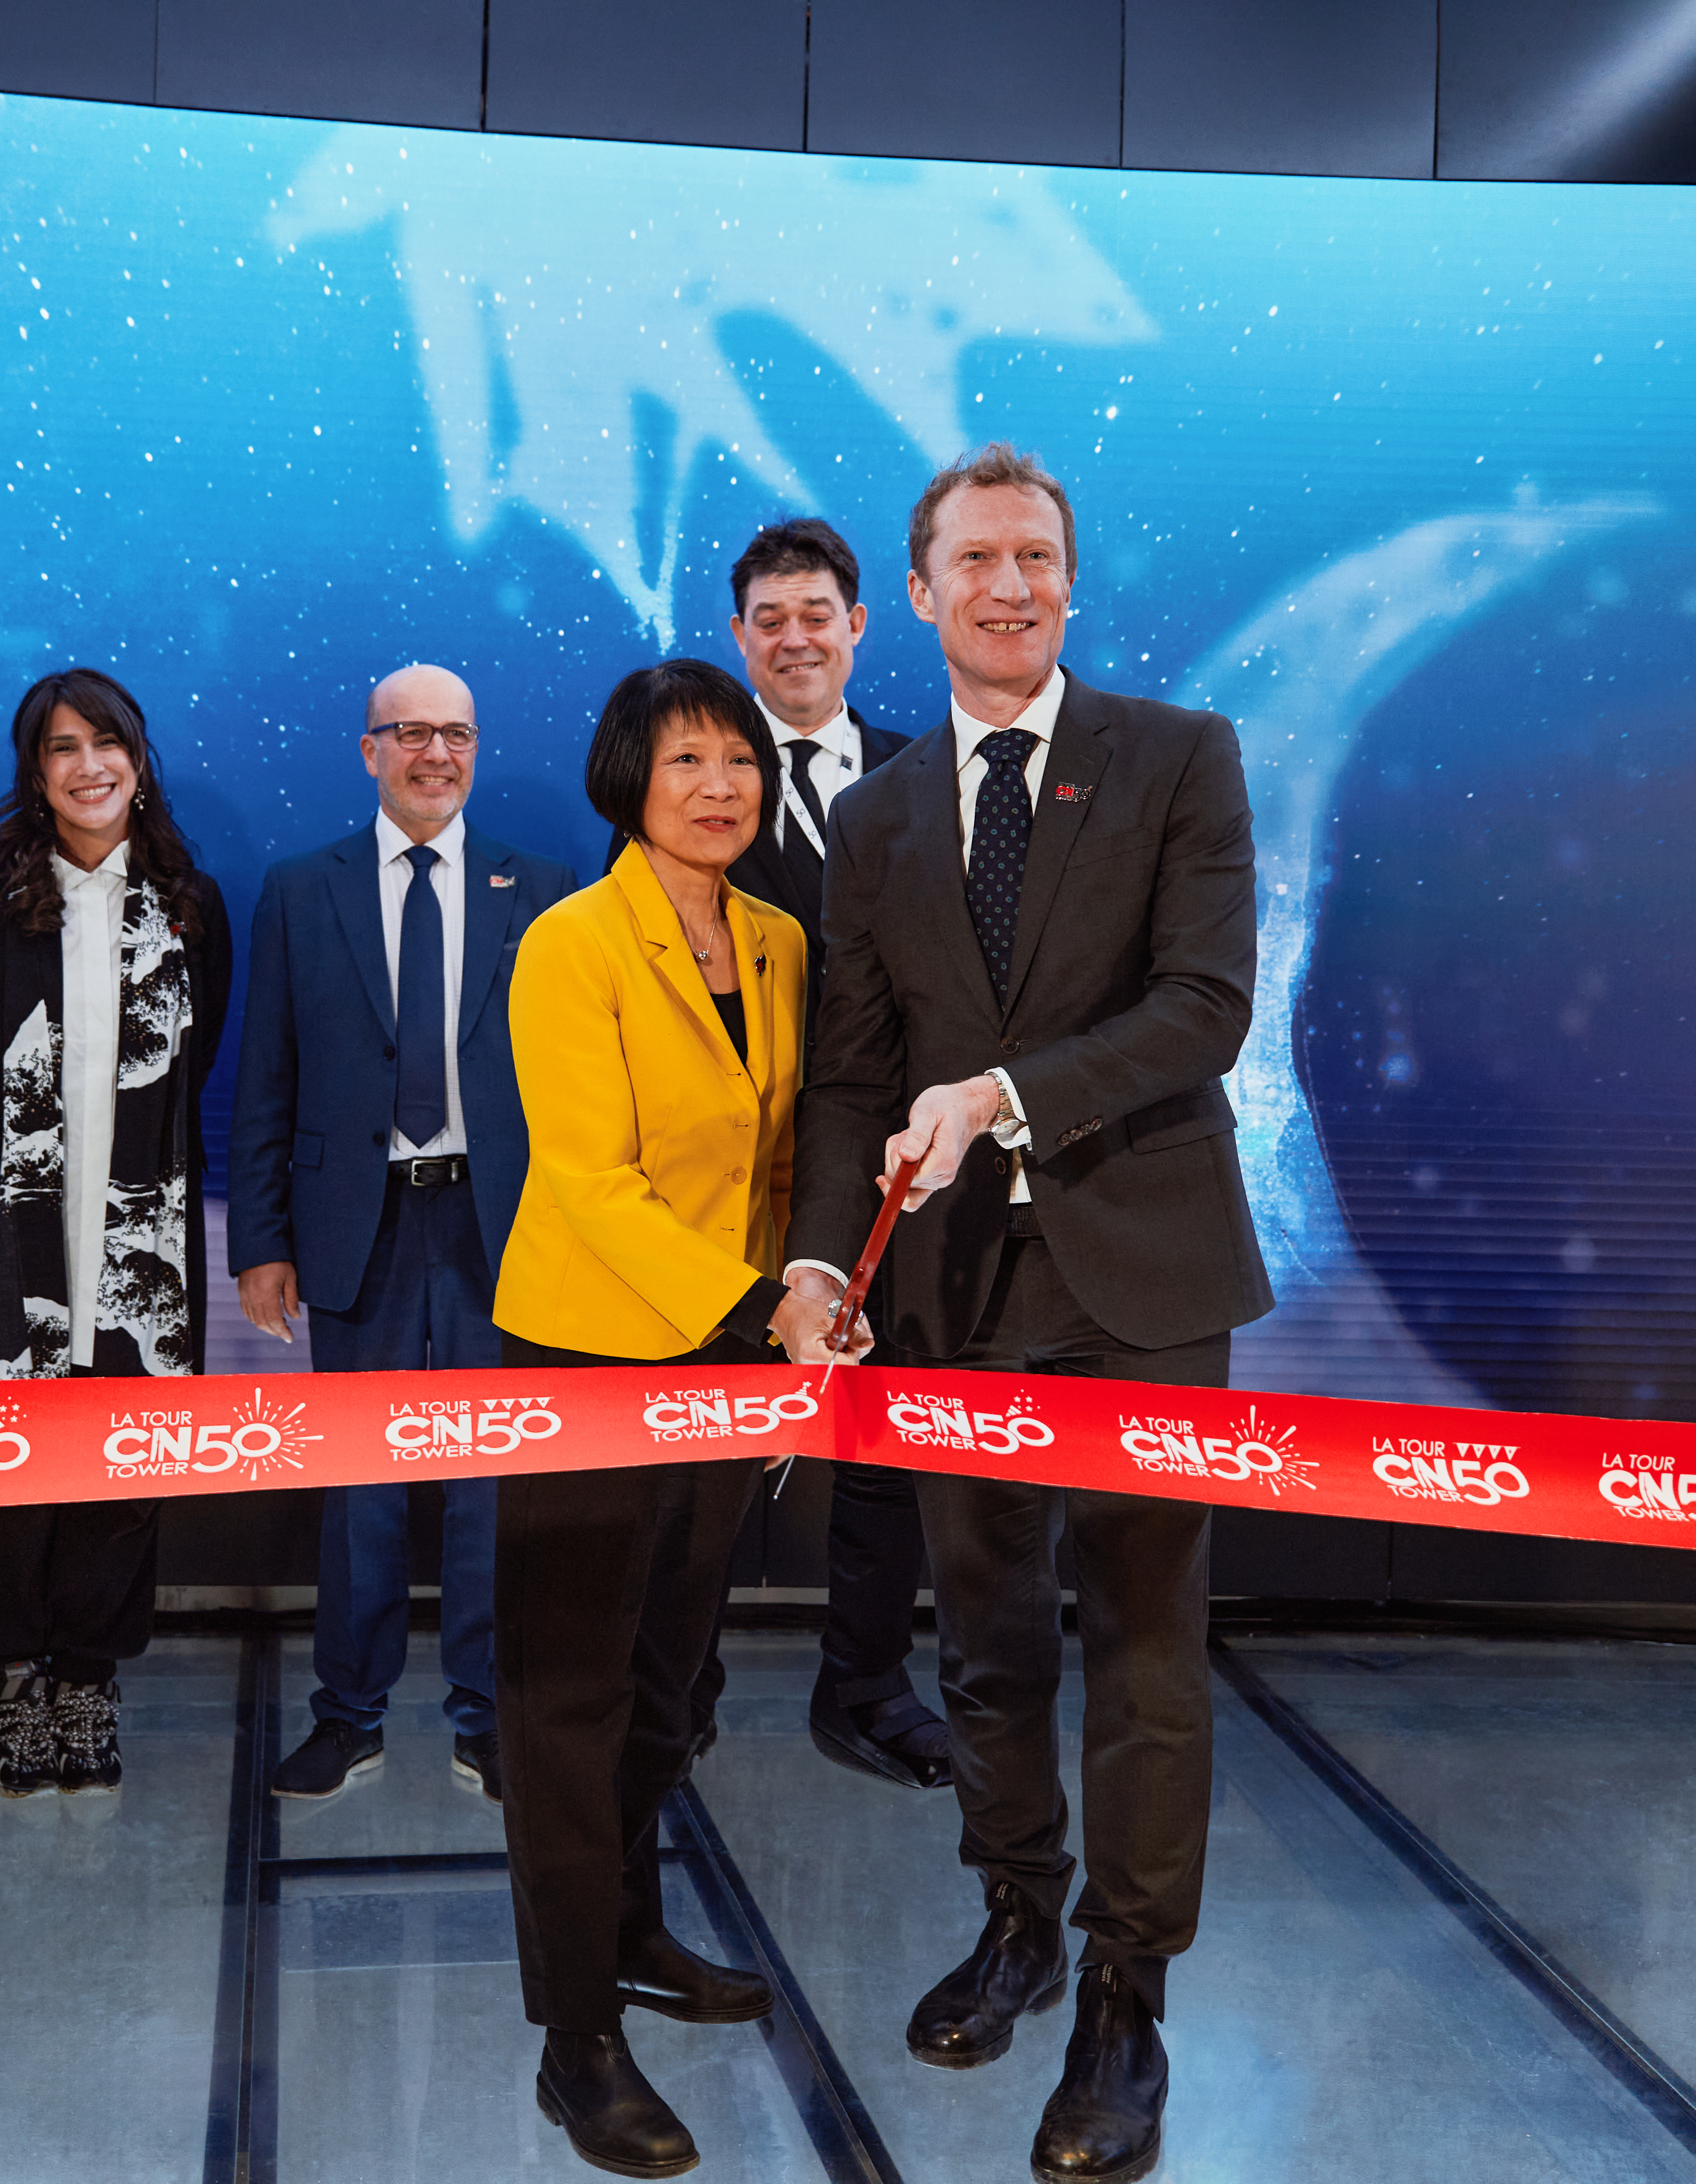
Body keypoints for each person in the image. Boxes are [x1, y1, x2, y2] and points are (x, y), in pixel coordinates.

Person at [788, 445, 1273, 2184]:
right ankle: (1020, 1919)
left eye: (1040, 557)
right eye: (978, 559)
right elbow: (850, 1076)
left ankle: (1128, 1999)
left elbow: (1204, 1008)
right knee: (989, 1643)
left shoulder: (1177, 759)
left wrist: (999, 1094)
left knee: (1146, 1642)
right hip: (951, 1301)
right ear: (916, 596)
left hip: (1142, 1280)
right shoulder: (882, 813)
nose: (1014, 585)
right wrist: (820, 1263)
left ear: (1071, 580)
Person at [490, 656, 858, 2179]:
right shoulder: (569, 944)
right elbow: (590, 1180)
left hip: (728, 1368)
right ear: (627, 779)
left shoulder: (777, 937)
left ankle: (633, 1931)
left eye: (739, 762)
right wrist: (758, 1299)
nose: (722, 786)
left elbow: (792, 1151)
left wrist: (812, 1292)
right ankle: (575, 2041)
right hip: (588, 1358)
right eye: (687, 760)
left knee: (669, 1678)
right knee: (565, 1704)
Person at [0, 668, 233, 1797]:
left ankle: (88, 1673)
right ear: (35, 770)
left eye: (108, 743)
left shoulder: (188, 899)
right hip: (2, 1237)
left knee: (121, 1470)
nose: (89, 766)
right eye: (62, 747)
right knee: (4, 1474)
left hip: (140, 1243)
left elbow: (198, 1058)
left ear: (139, 756)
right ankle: (13, 1676)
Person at [231, 665, 577, 1805]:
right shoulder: (298, 888)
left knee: (492, 1482)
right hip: (356, 1225)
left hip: (494, 1221)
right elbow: (265, 1072)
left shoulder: (544, 886)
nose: (436, 752)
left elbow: (573, 1084)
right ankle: (350, 1714)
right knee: (360, 1482)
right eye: (411, 732)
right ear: (368, 747)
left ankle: (487, 1714)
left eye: (457, 733)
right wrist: (261, 1240)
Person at [706, 517, 946, 1791]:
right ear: (739, 637)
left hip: (887, 1174)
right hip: (721, 1180)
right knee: (698, 1441)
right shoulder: (696, 778)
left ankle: (865, 1682)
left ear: (861, 625)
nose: (795, 636)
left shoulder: (932, 775)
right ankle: (672, 1690)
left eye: (818, 613)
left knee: (888, 1441)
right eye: (769, 618)